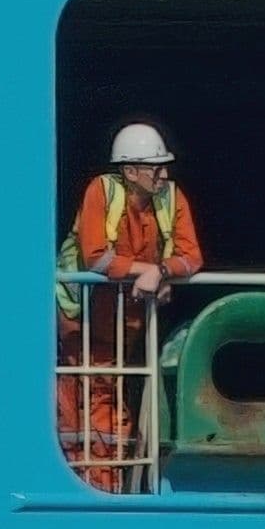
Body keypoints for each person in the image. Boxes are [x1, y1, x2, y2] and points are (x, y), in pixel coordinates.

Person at [55, 122, 204, 489]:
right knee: (81, 400)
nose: (163, 174)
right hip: (82, 320)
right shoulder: (101, 192)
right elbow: (96, 259)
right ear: (130, 171)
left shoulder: (171, 197)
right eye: (156, 168)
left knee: (115, 395)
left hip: (128, 322)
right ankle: (89, 483)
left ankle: (111, 483)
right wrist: (148, 272)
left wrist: (163, 270)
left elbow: (192, 257)